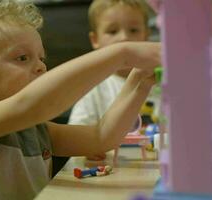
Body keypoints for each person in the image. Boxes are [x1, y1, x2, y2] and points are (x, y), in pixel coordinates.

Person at [0, 0, 161, 199]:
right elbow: (33, 105)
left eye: (41, 57)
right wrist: (122, 54)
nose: (41, 66)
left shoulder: (39, 130)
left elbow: (101, 137)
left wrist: (140, 80)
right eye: (22, 57)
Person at [68, 0, 161, 161]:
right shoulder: (93, 88)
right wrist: (85, 148)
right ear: (95, 40)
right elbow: (74, 136)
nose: (124, 38)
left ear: (146, 35)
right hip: (112, 169)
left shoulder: (161, 81)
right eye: (112, 31)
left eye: (133, 30)